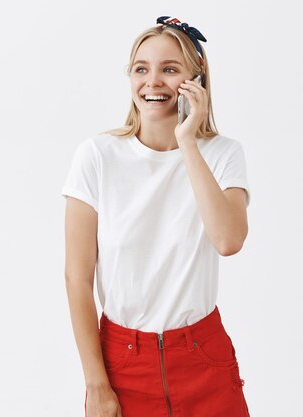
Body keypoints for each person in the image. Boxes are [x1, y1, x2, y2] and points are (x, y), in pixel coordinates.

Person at [61, 16, 252, 417]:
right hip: (122, 362)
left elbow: (228, 241)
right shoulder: (96, 157)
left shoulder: (223, 154)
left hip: (204, 358)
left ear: (195, 80)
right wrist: (95, 383)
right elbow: (77, 278)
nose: (153, 82)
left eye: (170, 70)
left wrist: (188, 142)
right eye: (141, 69)